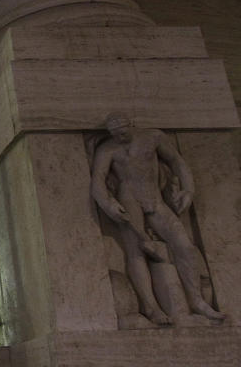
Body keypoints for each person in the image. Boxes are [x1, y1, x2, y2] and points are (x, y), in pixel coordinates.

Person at [90, 113, 224, 324]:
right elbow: (97, 180)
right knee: (135, 253)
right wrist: (109, 204)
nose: (120, 136)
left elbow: (176, 161)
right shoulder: (108, 149)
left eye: (123, 131)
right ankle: (151, 308)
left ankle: (197, 301)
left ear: (131, 124)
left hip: (155, 199)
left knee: (185, 247)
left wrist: (188, 189)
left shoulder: (153, 137)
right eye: (114, 133)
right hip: (128, 199)